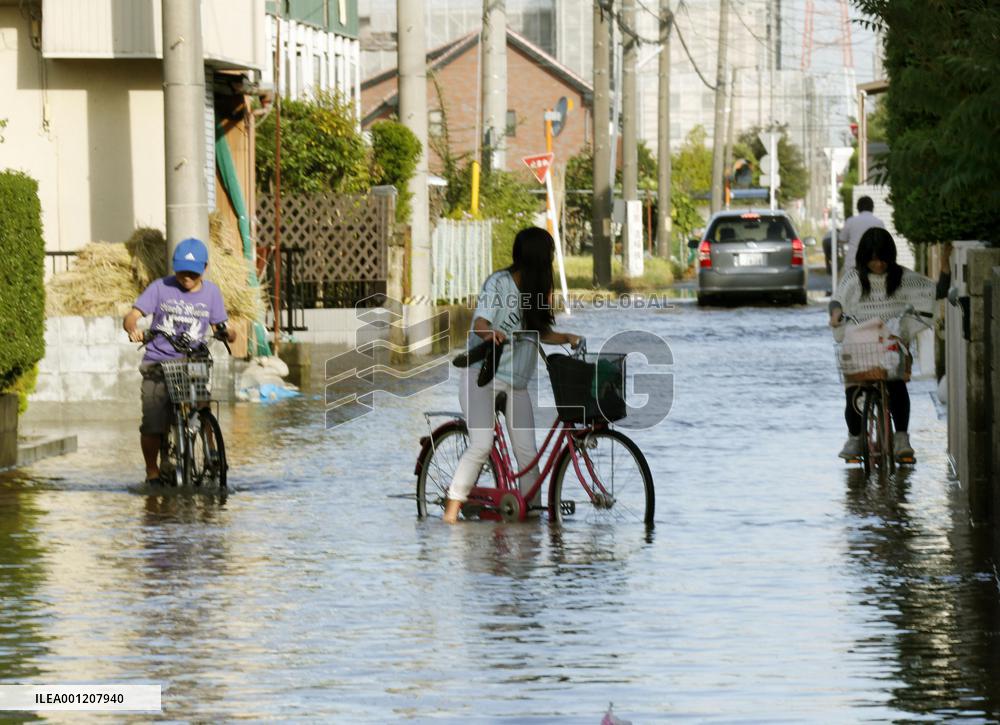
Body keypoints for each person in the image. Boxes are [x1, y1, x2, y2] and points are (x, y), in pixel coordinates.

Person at [442, 227, 581, 524]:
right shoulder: (499, 284)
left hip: (516, 383)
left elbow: (542, 332)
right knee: (481, 445)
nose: (552, 261)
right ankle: (450, 515)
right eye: (550, 256)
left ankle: (530, 520)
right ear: (538, 258)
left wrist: (567, 337)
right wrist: (489, 332)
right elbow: (480, 321)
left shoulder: (537, 289)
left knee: (528, 456)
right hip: (483, 376)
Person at [122, 238, 237, 484]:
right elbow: (132, 315)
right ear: (175, 267)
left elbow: (222, 325)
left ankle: (211, 450)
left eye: (193, 274)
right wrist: (133, 328)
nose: (187, 277)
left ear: (204, 269)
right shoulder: (160, 287)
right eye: (182, 271)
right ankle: (152, 472)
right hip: (158, 362)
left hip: (194, 358)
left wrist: (229, 332)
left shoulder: (212, 292)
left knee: (202, 405)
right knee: (153, 421)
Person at [829, 227, 935, 462]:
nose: (878, 265)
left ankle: (901, 438)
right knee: (854, 390)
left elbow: (930, 291)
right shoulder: (853, 278)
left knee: (896, 384)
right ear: (864, 259)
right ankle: (855, 438)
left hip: (891, 347)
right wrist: (836, 313)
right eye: (872, 260)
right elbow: (837, 300)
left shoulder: (905, 279)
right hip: (862, 347)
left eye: (882, 259)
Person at [837, 196, 885, 275]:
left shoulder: (851, 221)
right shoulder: (879, 222)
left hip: (852, 262)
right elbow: (883, 242)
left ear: (858, 208)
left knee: (848, 285)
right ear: (872, 208)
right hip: (872, 263)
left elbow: (842, 239)